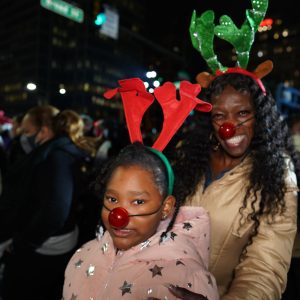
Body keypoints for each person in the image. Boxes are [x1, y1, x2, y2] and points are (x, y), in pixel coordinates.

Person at [167, 72, 299, 300]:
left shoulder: (278, 175)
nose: (229, 127)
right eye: (219, 115)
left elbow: (264, 271)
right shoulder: (187, 157)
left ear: (260, 115)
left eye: (243, 113)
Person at [63, 141, 219, 300]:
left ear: (165, 207)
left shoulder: (187, 278)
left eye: (138, 202)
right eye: (112, 199)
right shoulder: (84, 254)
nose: (118, 217)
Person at [0, 108, 95, 300]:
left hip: (43, 251)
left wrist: (22, 243)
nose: (22, 136)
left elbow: (55, 210)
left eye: (26, 131)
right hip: (46, 247)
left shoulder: (55, 157)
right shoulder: (55, 153)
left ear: (43, 131)